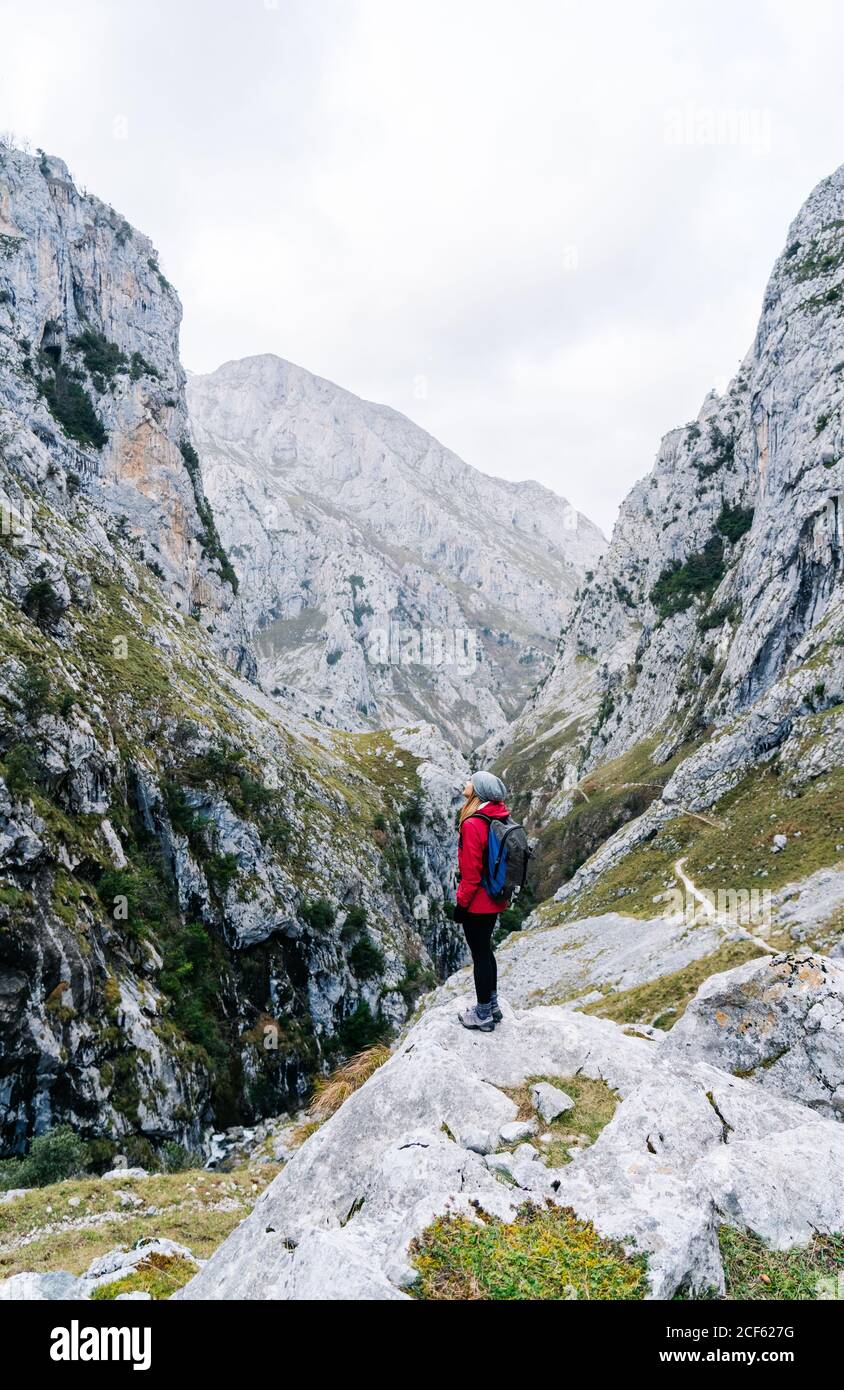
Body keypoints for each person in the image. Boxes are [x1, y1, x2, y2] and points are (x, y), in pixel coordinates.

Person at [453, 770, 509, 1031]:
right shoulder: (498, 815)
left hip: (478, 902)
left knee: (479, 955)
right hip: (495, 898)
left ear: (477, 791)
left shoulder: (473, 823)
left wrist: (461, 906)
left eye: (470, 781)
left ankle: (483, 1014)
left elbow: (471, 875)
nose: (465, 783)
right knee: (486, 951)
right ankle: (493, 1005)